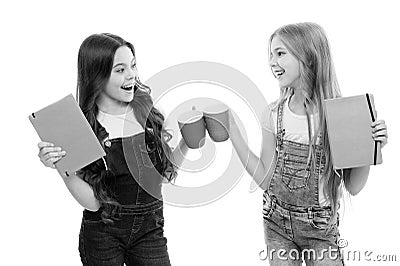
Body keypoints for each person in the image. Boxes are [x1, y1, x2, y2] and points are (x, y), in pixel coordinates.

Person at [228, 22, 388, 265]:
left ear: (309, 58)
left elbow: (353, 186)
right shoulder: (272, 113)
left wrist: (368, 147)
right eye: (270, 55)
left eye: (280, 53)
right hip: (276, 223)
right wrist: (233, 132)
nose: (272, 62)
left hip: (319, 229)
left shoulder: (341, 114)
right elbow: (265, 180)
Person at [37, 33, 189, 266]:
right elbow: (93, 203)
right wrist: (63, 167)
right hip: (102, 235)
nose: (132, 75)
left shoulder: (145, 112)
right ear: (97, 76)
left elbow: (164, 177)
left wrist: (188, 143)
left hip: (150, 231)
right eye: (120, 70)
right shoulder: (82, 128)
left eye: (133, 65)